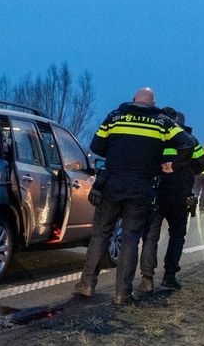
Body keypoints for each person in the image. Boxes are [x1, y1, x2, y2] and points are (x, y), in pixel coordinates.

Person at [74, 88, 196, 305]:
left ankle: (87, 284)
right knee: (130, 239)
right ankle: (122, 293)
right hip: (141, 187)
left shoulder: (114, 117)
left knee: (101, 234)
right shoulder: (162, 123)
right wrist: (174, 166)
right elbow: (188, 144)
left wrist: (118, 152)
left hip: (112, 183)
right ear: (153, 103)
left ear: (133, 100)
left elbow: (96, 146)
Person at [137, 108, 204, 293]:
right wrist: (185, 170)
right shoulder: (190, 139)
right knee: (177, 235)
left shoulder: (154, 136)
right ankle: (169, 277)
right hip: (179, 194)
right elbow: (203, 164)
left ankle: (147, 278)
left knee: (151, 236)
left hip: (155, 192)